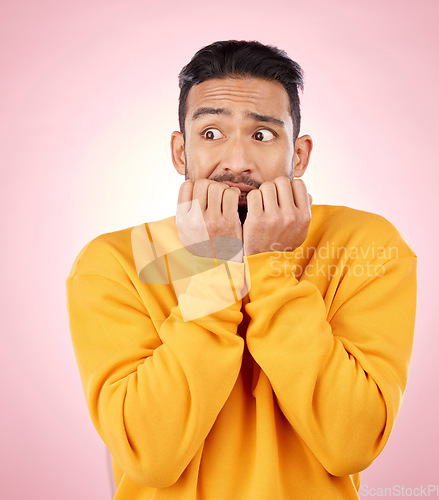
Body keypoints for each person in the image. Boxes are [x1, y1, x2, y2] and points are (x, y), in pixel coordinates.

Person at [66, 40, 417, 499]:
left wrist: (269, 266)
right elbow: (149, 455)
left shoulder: (364, 246)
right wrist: (213, 271)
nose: (237, 162)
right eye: (211, 133)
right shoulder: (114, 263)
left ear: (300, 155)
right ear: (179, 152)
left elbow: (351, 444)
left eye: (263, 135)